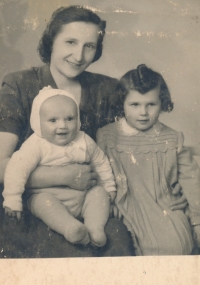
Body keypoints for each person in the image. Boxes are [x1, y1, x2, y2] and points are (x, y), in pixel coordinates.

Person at [0, 6, 185, 257]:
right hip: (32, 202)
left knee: (116, 241)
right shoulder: (19, 84)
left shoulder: (106, 89)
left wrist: (168, 151)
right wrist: (63, 175)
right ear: (50, 41)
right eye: (70, 42)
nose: (79, 55)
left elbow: (139, 131)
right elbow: (2, 165)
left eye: (89, 46)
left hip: (91, 200)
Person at [97, 64, 200, 255]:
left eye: (151, 105)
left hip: (164, 209)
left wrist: (197, 219)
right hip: (122, 210)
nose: (143, 113)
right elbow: (97, 173)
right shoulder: (106, 137)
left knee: (176, 246)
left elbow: (192, 182)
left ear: (162, 103)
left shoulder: (172, 138)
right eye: (134, 105)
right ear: (122, 104)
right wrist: (106, 202)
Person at [3, 86, 117, 247]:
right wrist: (12, 198)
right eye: (53, 120)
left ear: (78, 120)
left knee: (99, 193)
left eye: (69, 119)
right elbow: (16, 169)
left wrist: (109, 187)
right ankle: (71, 228)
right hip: (50, 198)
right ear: (38, 122)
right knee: (42, 202)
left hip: (82, 197)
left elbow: (101, 162)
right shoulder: (36, 144)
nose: (62, 125)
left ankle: (94, 228)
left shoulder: (83, 140)